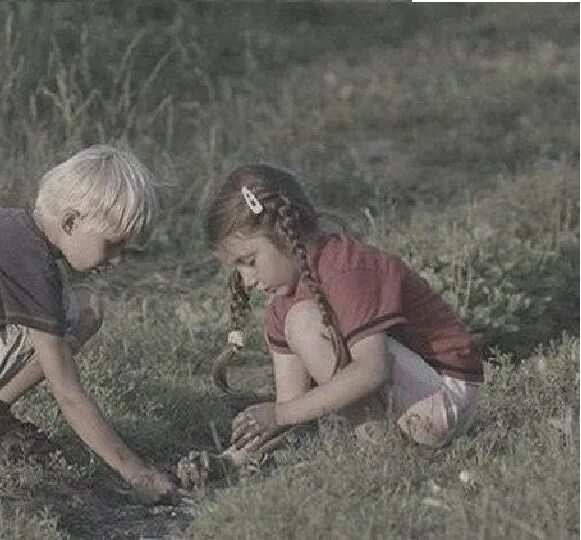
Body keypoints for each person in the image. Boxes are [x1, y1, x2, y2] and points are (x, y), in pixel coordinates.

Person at [0, 145, 176, 504]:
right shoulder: (32, 267)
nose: (116, 260)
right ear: (71, 222)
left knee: (82, 304)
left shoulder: (7, 226)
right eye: (113, 245)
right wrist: (138, 473)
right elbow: (68, 394)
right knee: (79, 312)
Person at [204, 164, 484, 453]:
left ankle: (383, 449)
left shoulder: (345, 268)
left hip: (443, 396)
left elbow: (371, 370)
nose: (246, 280)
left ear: (284, 235)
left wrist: (278, 414)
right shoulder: (282, 306)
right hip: (414, 399)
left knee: (303, 323)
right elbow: (289, 407)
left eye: (249, 262)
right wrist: (233, 458)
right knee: (297, 323)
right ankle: (387, 445)